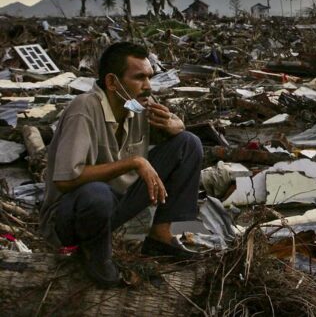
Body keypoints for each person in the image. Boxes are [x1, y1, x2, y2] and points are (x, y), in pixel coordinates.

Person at [39, 42, 203, 287]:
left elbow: (177, 136)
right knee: (97, 192)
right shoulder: (84, 108)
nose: (147, 86)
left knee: (189, 144)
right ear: (112, 82)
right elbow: (65, 180)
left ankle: (161, 236)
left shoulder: (133, 105)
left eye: (149, 77)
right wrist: (135, 162)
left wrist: (175, 126)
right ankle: (95, 255)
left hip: (114, 207)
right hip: (70, 217)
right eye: (139, 78)